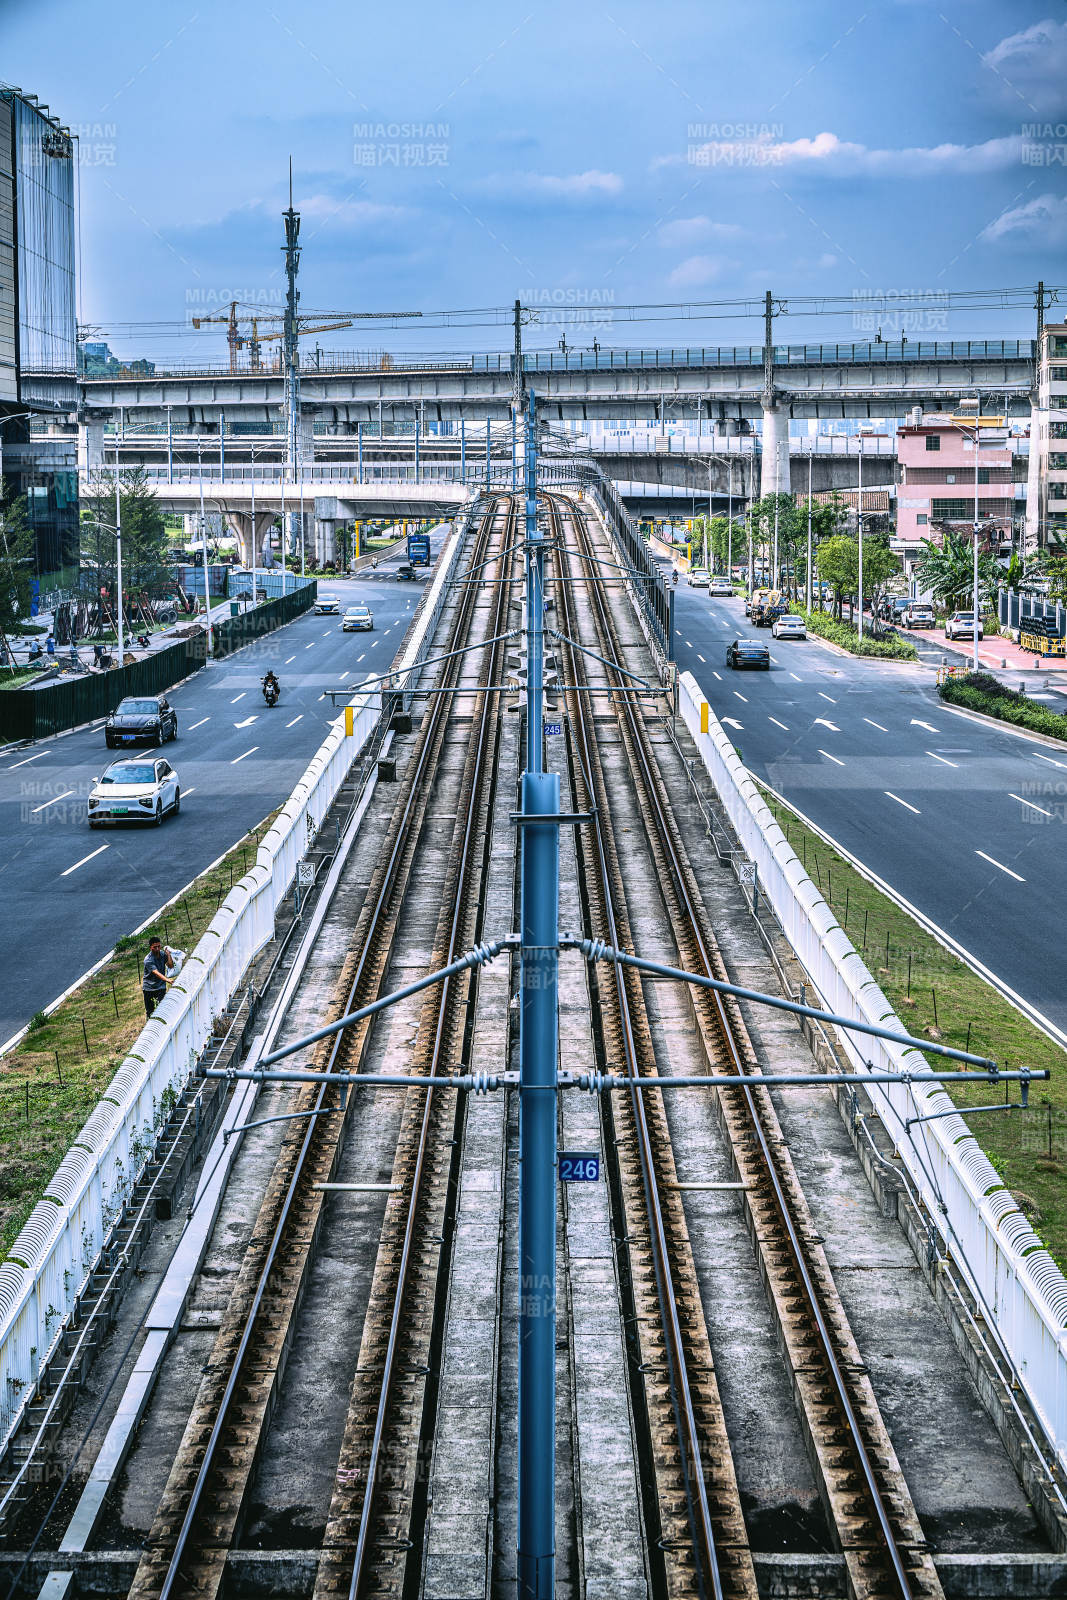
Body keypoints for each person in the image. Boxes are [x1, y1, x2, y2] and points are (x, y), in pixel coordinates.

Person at [142, 936, 174, 1018]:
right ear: (150, 948)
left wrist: (168, 955)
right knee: (150, 1011)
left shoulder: (163, 954)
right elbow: (156, 973)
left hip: (160, 987)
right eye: (154, 947)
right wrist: (168, 980)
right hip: (149, 988)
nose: (157, 949)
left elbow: (170, 965)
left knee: (162, 1008)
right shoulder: (148, 959)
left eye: (159, 946)